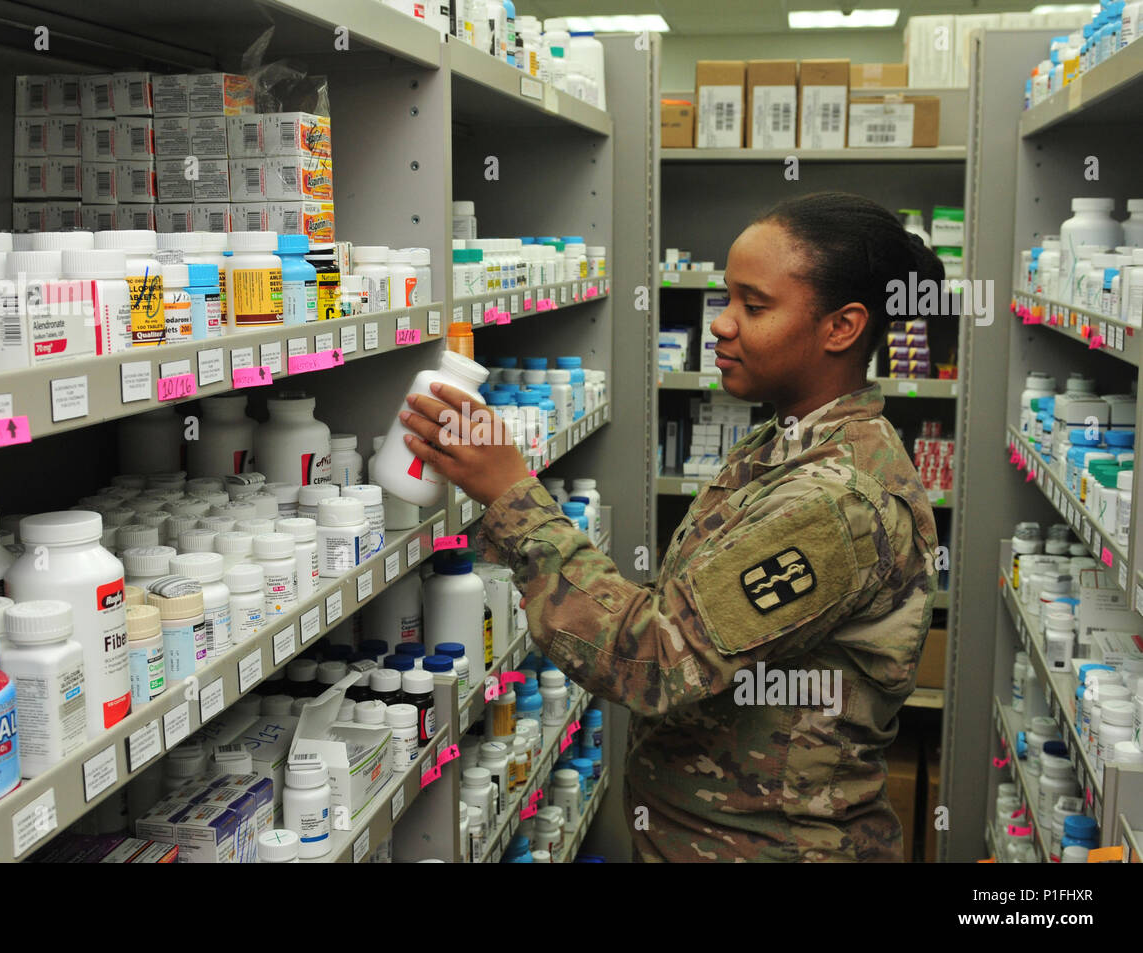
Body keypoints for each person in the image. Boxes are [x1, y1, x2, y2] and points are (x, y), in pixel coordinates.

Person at [398, 192, 940, 862]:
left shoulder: (836, 502)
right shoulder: (785, 443)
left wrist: (512, 493)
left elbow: (653, 657)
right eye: (726, 299)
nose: (722, 325)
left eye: (755, 305)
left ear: (841, 326)